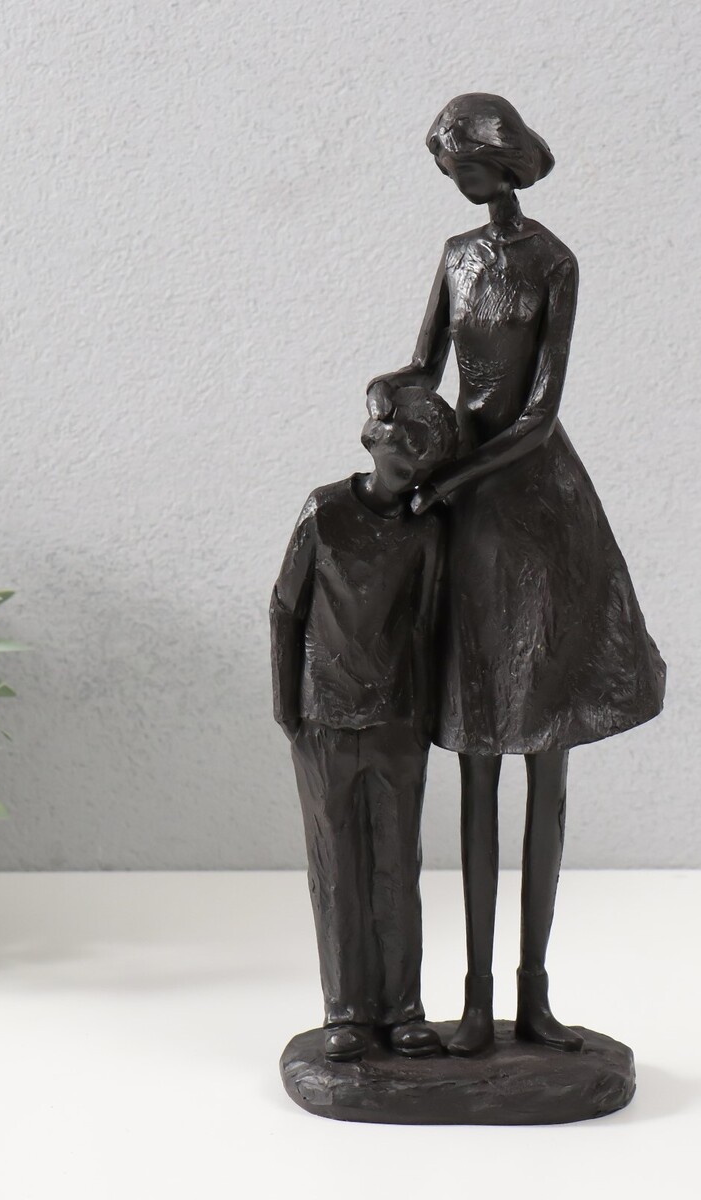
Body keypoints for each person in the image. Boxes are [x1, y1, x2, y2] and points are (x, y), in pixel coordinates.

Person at [367, 94, 667, 1057]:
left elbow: (537, 415)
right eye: (446, 168)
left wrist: (452, 480)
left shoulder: (553, 262)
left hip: (536, 511)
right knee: (476, 752)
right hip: (471, 511)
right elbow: (424, 367)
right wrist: (388, 399)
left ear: (500, 163)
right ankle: (476, 999)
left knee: (544, 759)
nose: (453, 181)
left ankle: (534, 996)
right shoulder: (457, 255)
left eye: (462, 165)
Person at [270, 387, 457, 1063]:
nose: (414, 463)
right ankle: (345, 1010)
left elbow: (430, 625)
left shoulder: (427, 529)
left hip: (398, 722)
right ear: (377, 440)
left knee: (397, 868)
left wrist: (426, 717)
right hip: (323, 718)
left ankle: (403, 1009)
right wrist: (286, 704)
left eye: (428, 456)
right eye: (407, 446)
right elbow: (286, 608)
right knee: (336, 866)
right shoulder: (325, 511)